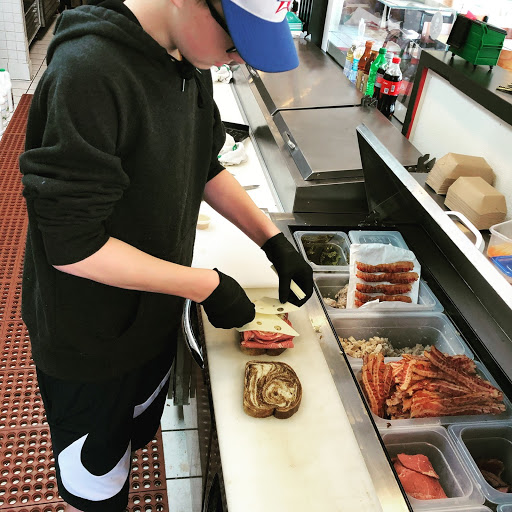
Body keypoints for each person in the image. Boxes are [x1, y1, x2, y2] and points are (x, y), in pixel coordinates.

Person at [19, 0, 312, 511]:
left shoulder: (186, 60)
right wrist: (205, 285)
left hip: (151, 315)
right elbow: (71, 246)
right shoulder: (88, 71)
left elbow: (203, 161)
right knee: (96, 485)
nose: (237, 59)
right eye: (236, 43)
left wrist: (271, 239)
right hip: (92, 336)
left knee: (132, 439)